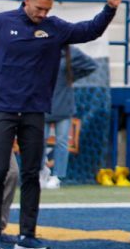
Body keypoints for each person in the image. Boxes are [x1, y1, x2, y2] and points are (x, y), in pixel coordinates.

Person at [0, 0, 121, 249]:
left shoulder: (54, 28)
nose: (42, 14)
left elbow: (89, 31)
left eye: (47, 9)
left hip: (34, 111)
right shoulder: (1, 23)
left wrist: (109, 9)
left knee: (32, 173)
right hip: (2, 109)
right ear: (27, 1)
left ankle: (27, 235)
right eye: (39, 8)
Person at [41, 45, 98, 189]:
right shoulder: (41, 49)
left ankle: (57, 176)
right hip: (43, 105)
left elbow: (91, 65)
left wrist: (72, 76)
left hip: (64, 106)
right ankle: (41, 171)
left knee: (61, 142)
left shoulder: (69, 51)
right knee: (39, 142)